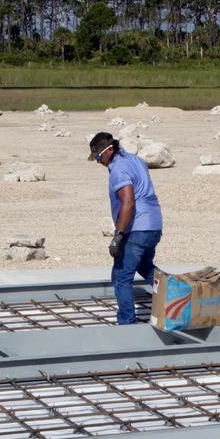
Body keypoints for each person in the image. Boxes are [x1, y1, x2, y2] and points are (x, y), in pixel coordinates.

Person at [89, 131, 164, 324]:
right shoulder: (134, 160)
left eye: (99, 157)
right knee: (146, 267)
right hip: (153, 224)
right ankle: (177, 298)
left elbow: (128, 203)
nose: (99, 162)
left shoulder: (118, 169)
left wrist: (118, 235)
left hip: (137, 227)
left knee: (121, 277)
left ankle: (127, 324)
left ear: (109, 150)